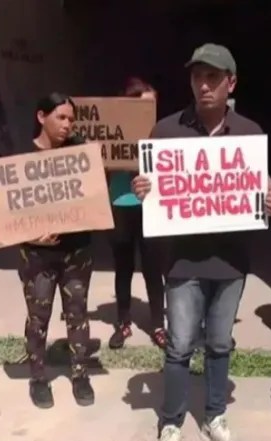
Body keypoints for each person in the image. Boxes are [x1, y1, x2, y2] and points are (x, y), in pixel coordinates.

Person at [130, 43, 271, 441]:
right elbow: (149, 188)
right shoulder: (165, 131)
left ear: (231, 83)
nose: (204, 85)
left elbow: (259, 193)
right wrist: (144, 190)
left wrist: (269, 202)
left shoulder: (250, 134)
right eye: (198, 76)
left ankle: (215, 415)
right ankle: (172, 423)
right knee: (179, 346)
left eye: (213, 77)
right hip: (181, 262)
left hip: (231, 262)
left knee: (219, 343)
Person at [16, 92, 95, 409]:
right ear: (41, 117)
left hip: (77, 252)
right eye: (61, 117)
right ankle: (38, 378)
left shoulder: (81, 154)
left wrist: (98, 164)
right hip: (37, 256)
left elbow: (93, 199)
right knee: (38, 318)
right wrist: (33, 236)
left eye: (71, 119)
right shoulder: (20, 159)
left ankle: (81, 375)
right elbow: (7, 213)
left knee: (77, 313)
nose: (67, 125)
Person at [107, 77, 166, 350]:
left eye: (152, 105)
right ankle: (123, 322)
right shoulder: (112, 132)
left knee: (154, 268)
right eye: (142, 105)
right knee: (124, 267)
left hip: (151, 204)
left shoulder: (164, 133)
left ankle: (158, 325)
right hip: (120, 203)